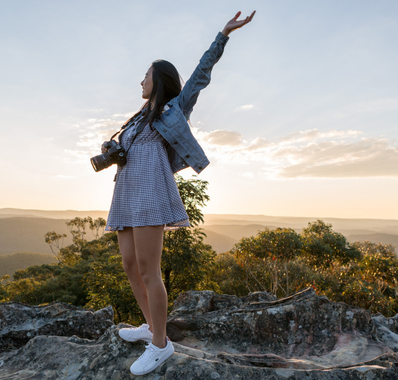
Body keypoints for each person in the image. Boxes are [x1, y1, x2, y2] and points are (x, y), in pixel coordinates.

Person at [102, 11, 255, 376]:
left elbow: (201, 74)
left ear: (159, 80)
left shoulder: (174, 109)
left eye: (145, 76)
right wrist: (111, 146)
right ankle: (152, 327)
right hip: (126, 192)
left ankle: (160, 346)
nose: (140, 80)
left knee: (149, 270)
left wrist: (223, 35)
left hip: (152, 193)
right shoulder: (138, 117)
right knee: (129, 266)